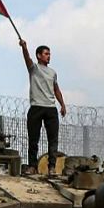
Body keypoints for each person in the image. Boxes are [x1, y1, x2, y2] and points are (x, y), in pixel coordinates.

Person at [19, 40, 67, 171]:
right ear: (39, 55)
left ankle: (52, 167)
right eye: (46, 54)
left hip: (51, 108)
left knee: (53, 140)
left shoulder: (53, 72)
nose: (49, 56)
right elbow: (27, 59)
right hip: (36, 107)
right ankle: (33, 166)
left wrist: (62, 104)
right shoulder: (34, 68)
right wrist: (24, 48)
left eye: (49, 54)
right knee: (33, 139)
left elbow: (56, 89)